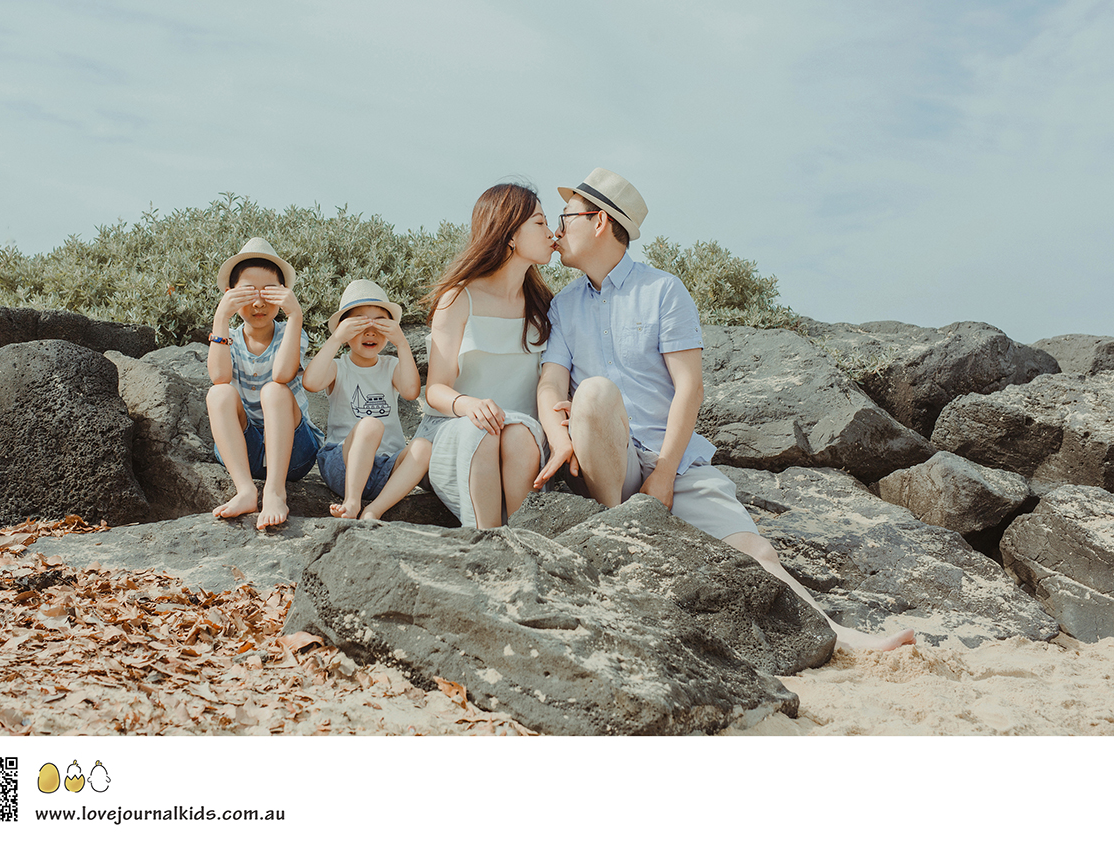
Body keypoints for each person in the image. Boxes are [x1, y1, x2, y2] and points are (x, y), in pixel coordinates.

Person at [535, 167, 914, 652]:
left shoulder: (663, 291)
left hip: (673, 461)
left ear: (600, 221)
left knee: (756, 550)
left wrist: (664, 475)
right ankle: (619, 534)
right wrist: (559, 437)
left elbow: (689, 388)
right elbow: (550, 383)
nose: (557, 230)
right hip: (607, 459)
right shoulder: (564, 305)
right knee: (592, 394)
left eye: (566, 217)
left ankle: (844, 639)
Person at [414, 183, 556, 528]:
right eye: (540, 223)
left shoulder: (545, 306)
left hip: (523, 440)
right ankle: (486, 539)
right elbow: (435, 389)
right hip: (460, 429)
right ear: (510, 234)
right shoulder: (458, 298)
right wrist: (470, 405)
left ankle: (523, 539)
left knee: (518, 434)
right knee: (484, 431)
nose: (551, 233)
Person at [206, 237, 324, 529]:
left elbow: (282, 375)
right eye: (248, 292)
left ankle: (274, 492)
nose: (259, 303)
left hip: (293, 452)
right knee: (219, 394)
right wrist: (221, 316)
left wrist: (295, 314)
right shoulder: (230, 338)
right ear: (231, 294)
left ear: (283, 294)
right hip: (244, 451)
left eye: (269, 292)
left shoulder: (291, 332)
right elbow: (219, 378)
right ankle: (246, 491)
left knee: (274, 390)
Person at [302, 279, 432, 520]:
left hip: (387, 469)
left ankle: (374, 510)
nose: (370, 332)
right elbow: (310, 382)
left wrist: (402, 342)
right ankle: (352, 502)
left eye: (380, 323)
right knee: (371, 425)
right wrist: (336, 339)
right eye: (359, 324)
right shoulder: (339, 367)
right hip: (343, 464)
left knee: (423, 447)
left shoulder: (391, 366)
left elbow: (411, 391)